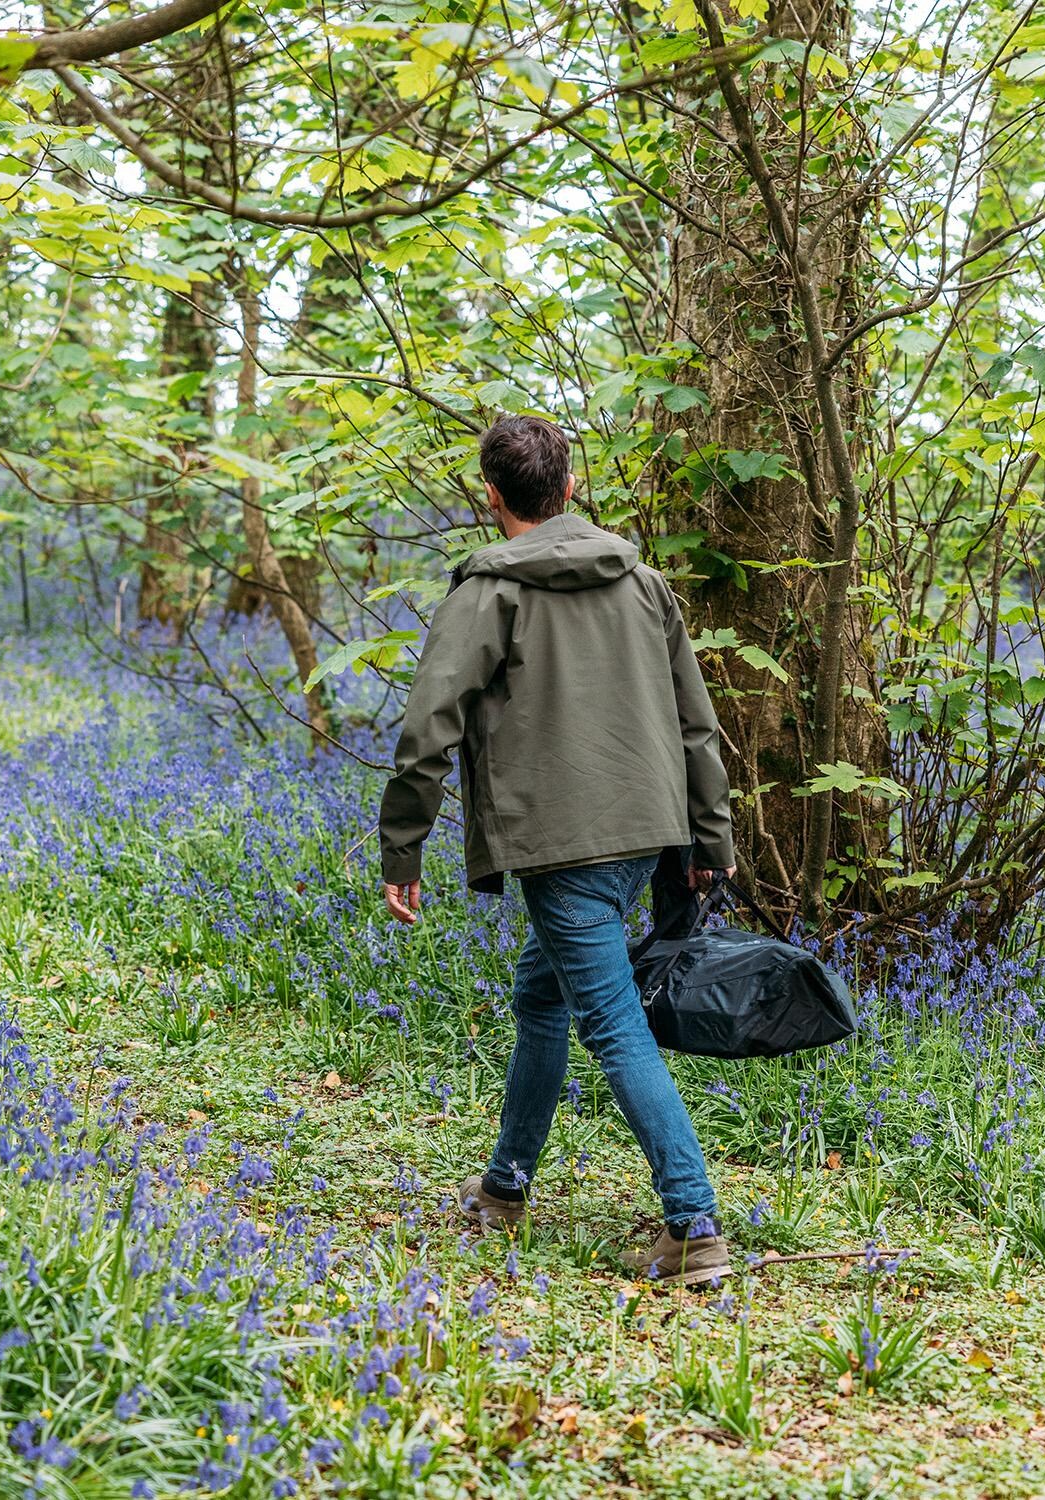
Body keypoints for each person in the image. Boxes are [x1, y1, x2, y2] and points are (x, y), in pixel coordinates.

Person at [378, 414, 739, 1283]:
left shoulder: (487, 592)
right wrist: (711, 835)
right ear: (570, 488)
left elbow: (428, 728)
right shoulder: (644, 582)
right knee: (541, 995)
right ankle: (504, 1187)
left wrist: (402, 850)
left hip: (563, 844)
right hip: (647, 835)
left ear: (491, 496)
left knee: (611, 1024)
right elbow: (696, 723)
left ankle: (694, 1223)